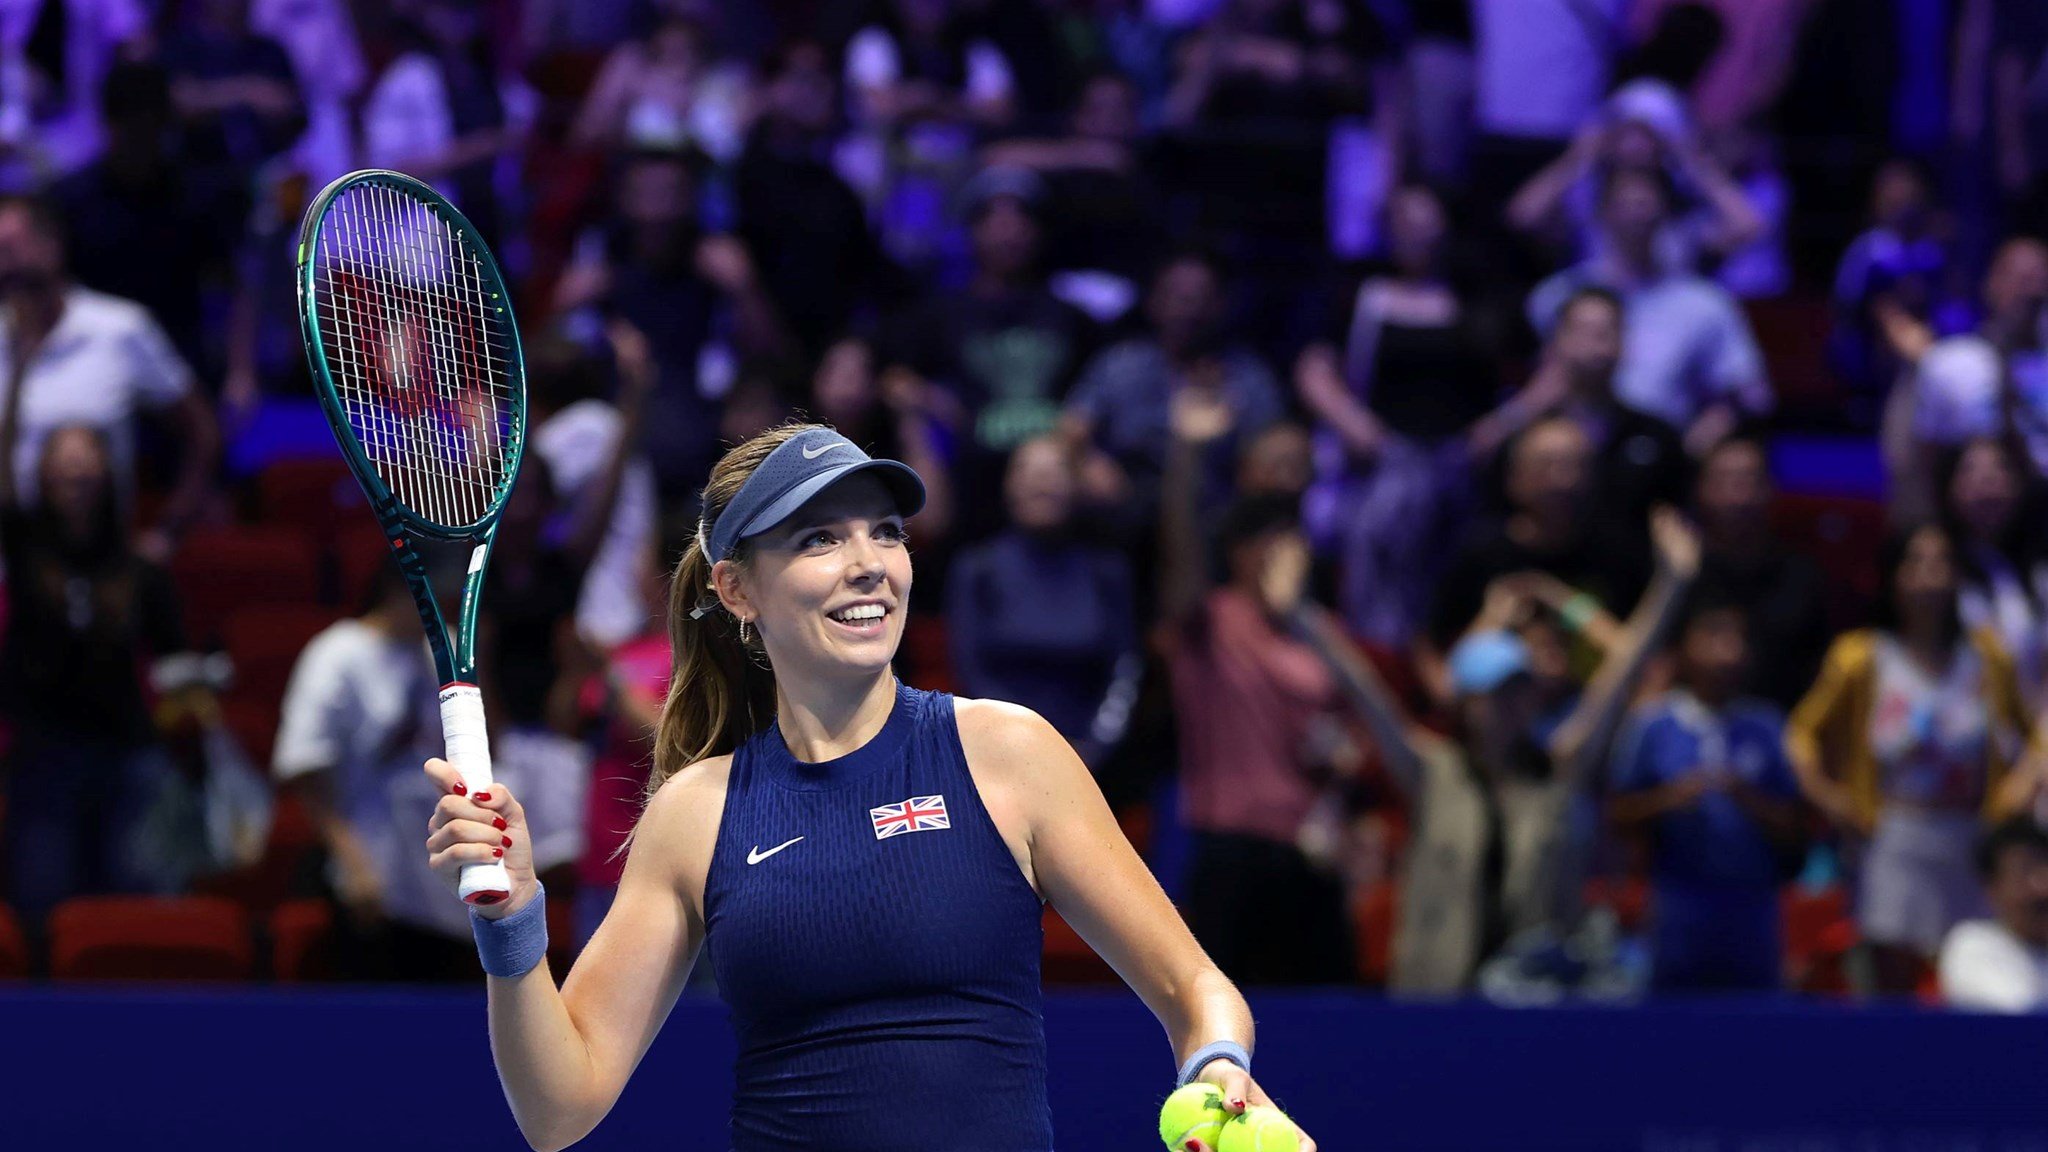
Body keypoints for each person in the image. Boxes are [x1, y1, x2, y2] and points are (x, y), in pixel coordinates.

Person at [422, 422, 1317, 1151]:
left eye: (884, 531)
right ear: (737, 590)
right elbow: (557, 1108)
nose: (870, 563)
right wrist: (513, 925)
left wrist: (1219, 1065)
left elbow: (1197, 988)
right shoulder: (696, 814)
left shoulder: (1008, 754)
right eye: (820, 538)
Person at [1293, 505, 1701, 994]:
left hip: (1536, 1006)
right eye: (1494, 693)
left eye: (1519, 689)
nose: (1508, 705)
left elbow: (1621, 679)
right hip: (1435, 1002)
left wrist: (1671, 586)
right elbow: (1364, 688)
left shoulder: (1560, 767)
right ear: (1467, 703)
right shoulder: (1430, 769)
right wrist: (1301, 614)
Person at [1786, 523, 2046, 993]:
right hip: (1892, 837)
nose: (1930, 576)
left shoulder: (1986, 658)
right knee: (1890, 986)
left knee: (1972, 972)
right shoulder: (1861, 657)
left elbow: (2037, 735)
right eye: (1915, 563)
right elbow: (1801, 734)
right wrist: (1829, 797)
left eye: (1941, 562)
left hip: (1968, 837)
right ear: (1893, 577)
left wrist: (2018, 789)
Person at [0, 423, 191, 950]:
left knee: (136, 909)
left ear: (108, 473)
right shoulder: (21, 554)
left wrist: (194, 700)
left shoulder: (140, 568)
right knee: (42, 909)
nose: (74, 467)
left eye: (86, 456)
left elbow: (175, 662)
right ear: (41, 473)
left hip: (127, 756)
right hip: (42, 758)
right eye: (61, 457)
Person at [275, 562, 468, 980]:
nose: (441, 613)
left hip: (443, 876)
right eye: (432, 601)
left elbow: (486, 751)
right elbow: (306, 770)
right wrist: (353, 862)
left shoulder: (450, 650)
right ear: (398, 591)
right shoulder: (338, 653)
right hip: (369, 870)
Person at [0, 193, 217, 562]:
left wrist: (169, 530)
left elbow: (201, 431)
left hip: (99, 570)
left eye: (8, 249)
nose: (4, 266)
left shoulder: (120, 329)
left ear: (52, 245)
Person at [1608, 590, 1805, 993]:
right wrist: (1671, 798)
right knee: (1674, 1029)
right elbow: (1617, 814)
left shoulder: (1767, 725)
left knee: (1755, 1028)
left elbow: (1796, 825)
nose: (1728, 651)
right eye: (1714, 635)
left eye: (1738, 638)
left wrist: (1747, 798)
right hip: (1677, 904)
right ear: (1684, 647)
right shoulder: (1654, 724)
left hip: (1752, 907)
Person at [1526, 166, 1772, 455]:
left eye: (1644, 204)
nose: (1635, 215)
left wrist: (1683, 454)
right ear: (1600, 211)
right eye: (1624, 204)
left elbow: (1752, 397)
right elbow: (1541, 383)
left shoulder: (1706, 302)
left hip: (1661, 454)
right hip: (1568, 452)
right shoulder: (1556, 295)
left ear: (1666, 212)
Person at [947, 436, 1139, 771]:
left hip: (1090, 756)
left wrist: (1096, 744)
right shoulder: (978, 569)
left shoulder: (1106, 571)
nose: (1041, 481)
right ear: (1008, 485)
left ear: (1077, 485)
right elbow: (970, 670)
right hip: (998, 753)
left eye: (1055, 470)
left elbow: (1124, 669)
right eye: (1028, 470)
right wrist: (1022, 745)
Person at [1062, 247, 1283, 531]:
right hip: (1127, 511)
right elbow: (1071, 430)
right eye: (1177, 295)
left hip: (1217, 516)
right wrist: (1089, 463)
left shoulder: (1249, 376)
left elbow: (1272, 452)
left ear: (1222, 304)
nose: (1189, 307)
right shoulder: (1120, 365)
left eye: (1202, 296)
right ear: (1153, 302)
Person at [1885, 236, 2048, 519]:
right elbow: (1916, 462)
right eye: (2021, 278)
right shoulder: (1948, 363)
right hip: (1969, 528)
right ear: (1991, 284)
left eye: (2041, 279)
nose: (2033, 290)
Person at [1689, 431, 1831, 712]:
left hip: (1782, 740)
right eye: (1725, 482)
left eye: (1749, 481)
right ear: (1701, 491)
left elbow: (1821, 682)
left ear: (1770, 489)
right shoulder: (1682, 579)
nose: (1738, 497)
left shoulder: (1801, 578)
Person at [1940, 437, 2048, 710]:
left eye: (2001, 469)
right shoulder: (1933, 567)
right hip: (1953, 731)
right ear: (1948, 487)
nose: (1987, 482)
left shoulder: (2038, 571)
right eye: (1970, 470)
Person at [1938, 816, 2048, 1012]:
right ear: (1993, 888)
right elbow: (2021, 1013)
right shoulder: (1971, 944)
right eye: (2025, 872)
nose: (2042, 887)